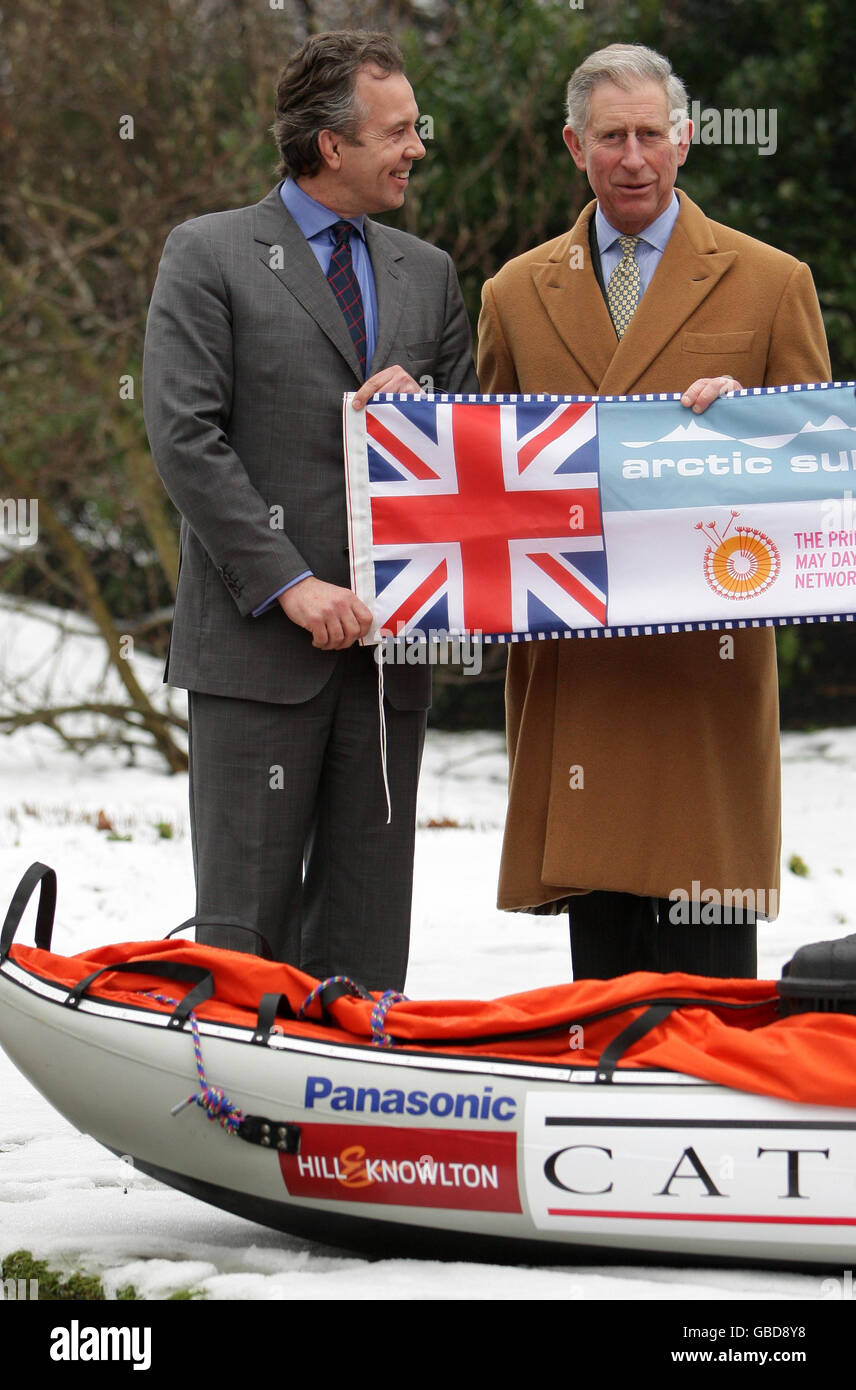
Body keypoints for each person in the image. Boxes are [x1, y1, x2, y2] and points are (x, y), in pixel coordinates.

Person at [477, 43, 830, 981]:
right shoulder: (513, 294)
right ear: (573, 146)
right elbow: (487, 482)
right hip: (580, 662)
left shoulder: (770, 281)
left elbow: (822, 486)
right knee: (603, 984)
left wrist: (752, 427)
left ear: (684, 142)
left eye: (650, 134)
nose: (632, 157)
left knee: (706, 982)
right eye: (610, 137)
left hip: (701, 673)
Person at [143, 31, 477, 991]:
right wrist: (289, 583)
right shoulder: (208, 253)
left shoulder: (430, 272)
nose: (419, 146)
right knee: (243, 943)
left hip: (387, 667)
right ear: (332, 145)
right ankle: (235, 1128)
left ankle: (352, 1136)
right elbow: (185, 436)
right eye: (401, 130)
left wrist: (430, 417)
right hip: (257, 658)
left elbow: (471, 452)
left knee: (369, 953)